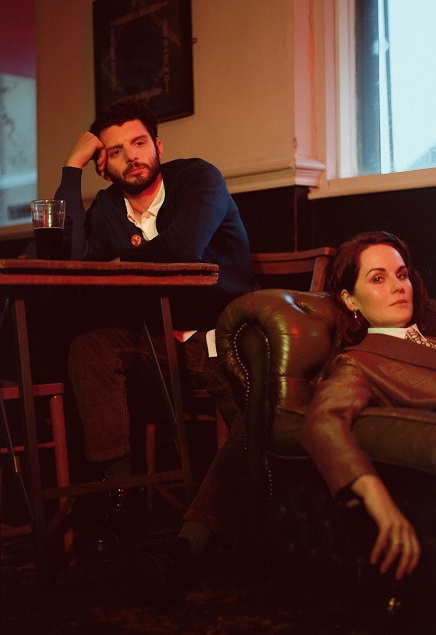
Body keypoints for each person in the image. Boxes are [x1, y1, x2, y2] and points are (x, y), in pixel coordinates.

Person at [54, 99, 259, 559]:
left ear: (158, 147)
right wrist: (71, 169)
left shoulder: (199, 178)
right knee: (90, 346)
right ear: (103, 167)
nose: (132, 157)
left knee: (256, 414)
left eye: (140, 143)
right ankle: (120, 502)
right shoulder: (108, 206)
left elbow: (182, 250)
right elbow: (71, 263)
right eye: (116, 151)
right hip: (157, 343)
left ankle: (236, 521)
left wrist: (117, 263)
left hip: (223, 340)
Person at [301, 231, 436, 582]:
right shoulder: (360, 362)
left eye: (401, 275)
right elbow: (322, 423)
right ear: (350, 300)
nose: (398, 286)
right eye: (378, 279)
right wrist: (381, 504)